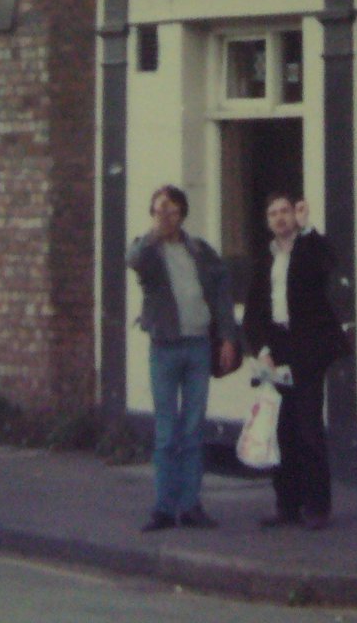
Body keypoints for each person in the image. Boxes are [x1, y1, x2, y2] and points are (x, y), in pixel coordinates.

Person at [127, 184, 239, 532]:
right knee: (166, 431)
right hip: (165, 346)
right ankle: (163, 508)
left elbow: (221, 294)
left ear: (183, 214)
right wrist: (153, 234)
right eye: (160, 210)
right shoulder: (146, 250)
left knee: (193, 429)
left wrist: (228, 337)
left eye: (173, 211)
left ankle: (190, 506)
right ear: (152, 214)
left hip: (198, 346)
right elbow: (135, 262)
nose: (167, 217)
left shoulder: (199, 250)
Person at [243, 194, 350, 530]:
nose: (279, 218)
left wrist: (309, 230)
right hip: (276, 348)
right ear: (267, 221)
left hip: (307, 348)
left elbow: (329, 264)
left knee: (308, 428)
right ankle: (286, 504)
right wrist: (262, 350)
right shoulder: (264, 258)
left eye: (285, 211)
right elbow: (253, 312)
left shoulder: (308, 249)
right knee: (280, 429)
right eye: (272, 213)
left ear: (295, 215)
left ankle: (317, 507)